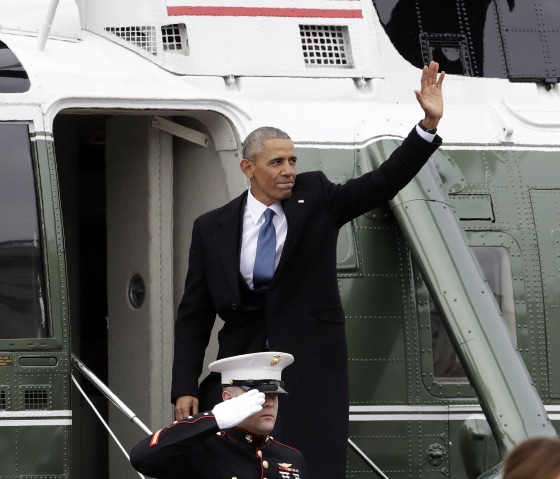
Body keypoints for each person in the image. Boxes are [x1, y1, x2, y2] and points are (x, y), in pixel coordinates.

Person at [171, 60, 446, 479]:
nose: (288, 171)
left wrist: (426, 125)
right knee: (237, 461)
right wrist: (185, 386)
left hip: (309, 362)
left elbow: (382, 182)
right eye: (277, 163)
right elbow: (194, 315)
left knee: (309, 461)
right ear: (248, 169)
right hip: (241, 362)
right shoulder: (212, 227)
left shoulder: (316, 197)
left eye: (292, 161)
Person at [131, 351, 307, 478]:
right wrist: (213, 418)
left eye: (274, 395)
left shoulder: (291, 458)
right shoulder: (204, 449)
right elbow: (142, 458)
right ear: (227, 398)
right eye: (257, 395)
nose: (269, 402)